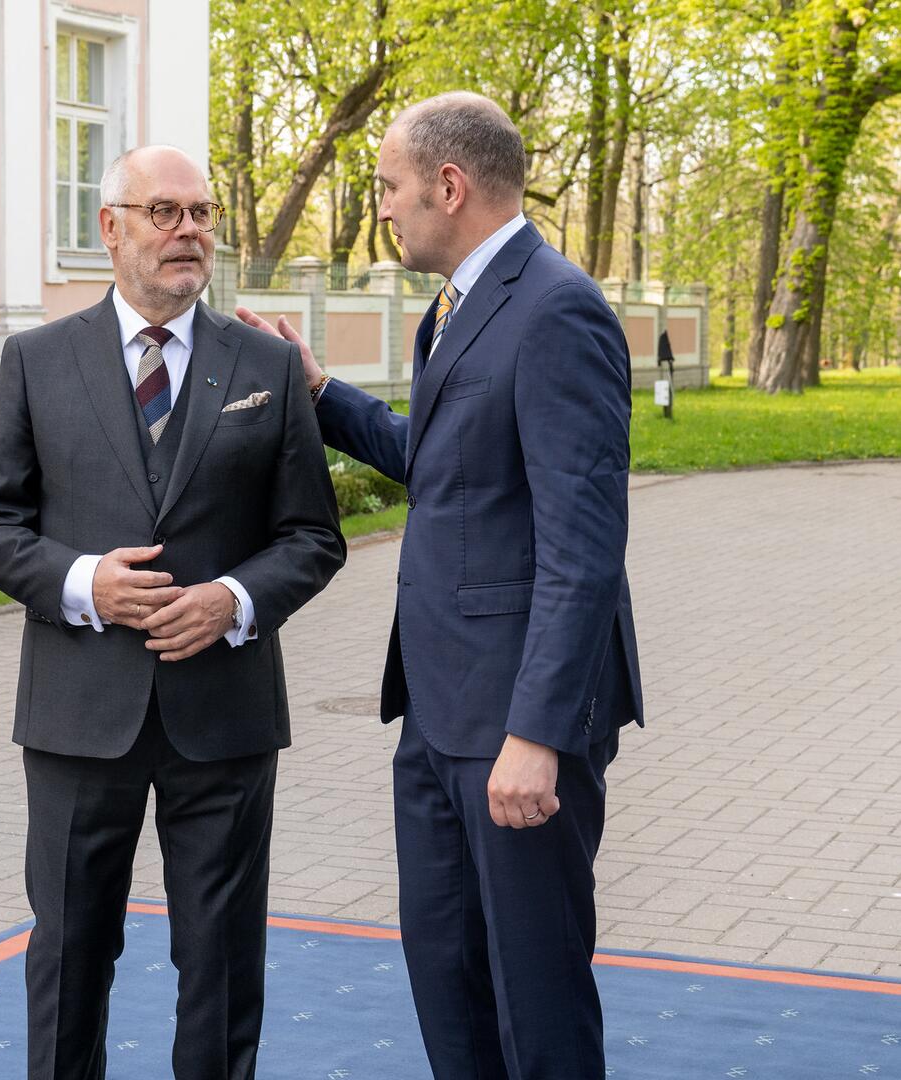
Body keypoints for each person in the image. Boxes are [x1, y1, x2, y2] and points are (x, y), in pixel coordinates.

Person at [239, 92, 644, 1078]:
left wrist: (537, 737)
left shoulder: (557, 309)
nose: (382, 206)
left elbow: (583, 549)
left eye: (390, 186)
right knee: (449, 984)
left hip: (514, 725)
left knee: (535, 1004)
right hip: (437, 712)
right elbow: (443, 460)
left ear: (449, 185)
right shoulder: (459, 302)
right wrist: (321, 391)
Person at [0, 145, 345, 1080]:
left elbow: (312, 536)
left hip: (225, 717)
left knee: (221, 960)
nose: (189, 232)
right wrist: (84, 583)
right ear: (111, 227)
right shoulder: (38, 360)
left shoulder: (266, 362)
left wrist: (234, 600)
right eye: (164, 212)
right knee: (70, 951)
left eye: (202, 214)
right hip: (78, 714)